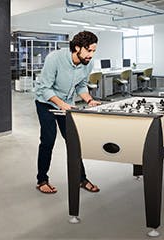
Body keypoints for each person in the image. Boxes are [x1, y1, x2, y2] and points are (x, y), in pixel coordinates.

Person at [34, 31, 101, 194]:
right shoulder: (55, 59)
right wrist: (62, 104)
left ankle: (81, 179)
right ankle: (42, 180)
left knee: (73, 141)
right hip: (46, 103)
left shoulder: (87, 63)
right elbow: (45, 88)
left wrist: (89, 100)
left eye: (94, 51)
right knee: (48, 140)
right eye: (89, 50)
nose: (91, 55)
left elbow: (81, 85)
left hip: (67, 104)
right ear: (77, 47)